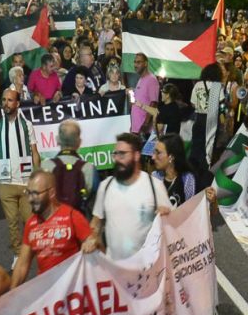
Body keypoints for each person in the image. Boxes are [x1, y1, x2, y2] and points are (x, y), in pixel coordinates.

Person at [82, 132, 171, 263]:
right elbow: (96, 222)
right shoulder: (105, 186)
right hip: (115, 269)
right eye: (115, 154)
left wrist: (166, 215)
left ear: (136, 155)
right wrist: (92, 238)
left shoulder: (155, 186)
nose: (117, 159)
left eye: (122, 154)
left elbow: (171, 226)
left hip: (148, 268)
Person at [12, 169, 92, 288]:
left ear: (51, 193)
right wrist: (11, 294)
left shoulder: (72, 216)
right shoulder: (31, 223)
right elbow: (22, 264)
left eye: (35, 193)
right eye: (28, 193)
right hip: (47, 291)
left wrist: (92, 243)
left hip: (72, 288)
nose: (30, 199)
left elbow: (95, 247)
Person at [0, 86, 39, 254]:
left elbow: (35, 152)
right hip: (5, 182)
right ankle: (18, 253)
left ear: (17, 103)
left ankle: (32, 250)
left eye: (10, 100)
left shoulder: (27, 125)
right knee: (12, 222)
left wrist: (37, 177)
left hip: (26, 181)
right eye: (4, 100)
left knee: (29, 220)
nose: (6, 103)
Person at [48, 119, 96, 216]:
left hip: (53, 220)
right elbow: (93, 199)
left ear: (57, 140)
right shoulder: (88, 168)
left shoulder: (46, 166)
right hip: (79, 219)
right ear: (79, 142)